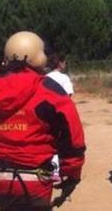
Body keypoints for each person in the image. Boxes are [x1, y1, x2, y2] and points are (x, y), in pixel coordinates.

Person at [0, 31, 86, 211]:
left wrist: (5, 65)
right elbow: (72, 135)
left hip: (0, 180)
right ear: (40, 57)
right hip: (33, 183)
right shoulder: (49, 89)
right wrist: (72, 173)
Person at [45, 53, 75, 185]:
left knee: (48, 140)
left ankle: (49, 167)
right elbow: (68, 96)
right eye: (64, 62)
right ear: (60, 63)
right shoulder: (64, 78)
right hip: (60, 112)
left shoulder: (43, 77)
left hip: (44, 111)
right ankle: (58, 171)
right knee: (62, 141)